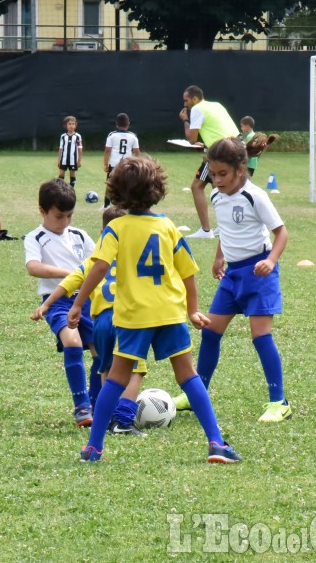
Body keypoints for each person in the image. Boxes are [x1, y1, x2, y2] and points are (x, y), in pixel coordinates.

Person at [68, 155, 241, 464]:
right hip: (170, 312)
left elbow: (98, 267)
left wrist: (79, 302)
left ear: (117, 191)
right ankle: (216, 441)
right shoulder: (167, 226)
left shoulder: (116, 228)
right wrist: (193, 309)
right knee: (188, 376)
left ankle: (94, 447)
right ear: (157, 189)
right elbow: (187, 270)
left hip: (135, 316)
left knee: (116, 379)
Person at [172, 139, 292, 423]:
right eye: (212, 174)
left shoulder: (255, 196)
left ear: (241, 169)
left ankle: (279, 402)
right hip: (232, 275)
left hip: (258, 275)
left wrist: (271, 260)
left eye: (222, 174)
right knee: (211, 332)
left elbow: (282, 233)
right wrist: (218, 257)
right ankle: (195, 392)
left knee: (261, 337)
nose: (216, 180)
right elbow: (225, 231)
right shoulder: (216, 197)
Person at [31, 206, 148, 436]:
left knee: (105, 368)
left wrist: (46, 304)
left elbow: (69, 283)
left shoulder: (95, 261)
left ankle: (104, 416)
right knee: (136, 370)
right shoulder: (135, 260)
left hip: (102, 323)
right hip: (127, 320)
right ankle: (122, 419)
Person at [24, 178, 97, 426]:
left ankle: (97, 402)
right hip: (57, 303)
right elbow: (33, 267)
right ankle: (82, 406)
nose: (65, 222)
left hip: (87, 300)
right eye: (59, 216)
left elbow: (97, 262)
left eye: (69, 216)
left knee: (100, 353)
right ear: (43, 211)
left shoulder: (79, 235)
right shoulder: (35, 237)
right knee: (72, 341)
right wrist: (68, 274)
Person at [179, 85, 239, 239]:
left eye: (186, 101)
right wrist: (206, 143)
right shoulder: (216, 105)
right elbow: (219, 129)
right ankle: (226, 227)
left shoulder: (198, 109)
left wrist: (185, 120)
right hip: (235, 146)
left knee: (196, 186)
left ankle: (206, 231)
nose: (185, 104)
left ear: (195, 98)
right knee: (221, 188)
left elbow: (191, 139)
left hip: (219, 152)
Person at [102, 113, 140, 208]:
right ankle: (126, 204)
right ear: (128, 124)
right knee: (126, 184)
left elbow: (107, 151)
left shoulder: (112, 135)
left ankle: (106, 204)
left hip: (114, 163)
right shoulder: (133, 136)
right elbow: (137, 153)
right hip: (127, 164)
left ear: (116, 124)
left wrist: (105, 164)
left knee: (110, 184)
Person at [57, 116, 83, 188]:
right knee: (61, 175)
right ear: (66, 125)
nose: (71, 126)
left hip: (73, 160)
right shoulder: (63, 136)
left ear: (75, 125)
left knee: (72, 174)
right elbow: (60, 148)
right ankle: (60, 189)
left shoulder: (77, 136)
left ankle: (71, 189)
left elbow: (80, 149)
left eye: (73, 124)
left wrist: (79, 161)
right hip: (64, 159)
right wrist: (59, 160)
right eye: (69, 124)